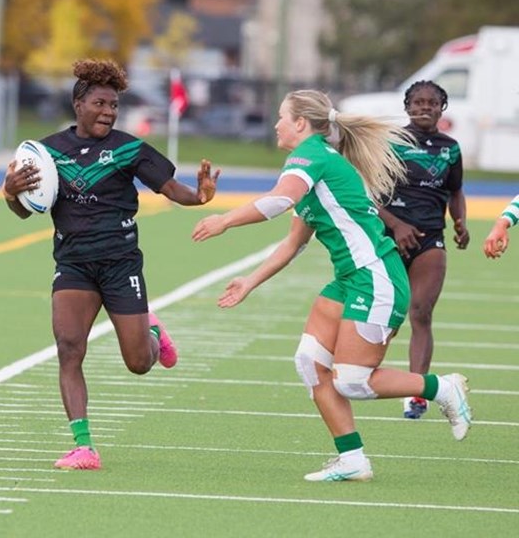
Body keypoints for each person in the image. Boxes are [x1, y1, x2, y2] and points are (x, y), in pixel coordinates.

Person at [191, 89, 472, 482]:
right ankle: (352, 459)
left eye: (281, 117)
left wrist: (223, 220)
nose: (275, 124)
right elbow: (292, 243)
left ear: (301, 124)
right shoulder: (315, 164)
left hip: (376, 277)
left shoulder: (310, 156)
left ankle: (440, 387)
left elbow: (276, 202)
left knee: (353, 381)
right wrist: (250, 282)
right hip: (350, 280)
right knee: (310, 363)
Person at [2, 59, 221, 470]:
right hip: (73, 265)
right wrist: (11, 193)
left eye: (114, 105)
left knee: (139, 363)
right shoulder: (46, 153)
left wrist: (201, 196)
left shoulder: (128, 148)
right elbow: (24, 211)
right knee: (69, 348)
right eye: (100, 103)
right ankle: (84, 445)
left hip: (120, 264)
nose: (108, 111)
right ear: (78, 104)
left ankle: (152, 330)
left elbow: (172, 189)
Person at [378, 80, 469, 420]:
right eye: (418, 102)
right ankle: (365, 374)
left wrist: (460, 221)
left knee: (421, 312)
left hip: (431, 237)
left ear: (442, 108)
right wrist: (397, 225)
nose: (425, 108)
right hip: (389, 237)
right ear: (407, 107)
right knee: (389, 313)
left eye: (433, 103)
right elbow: (368, 196)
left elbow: (455, 191)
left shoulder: (451, 148)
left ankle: (416, 392)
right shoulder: (390, 143)